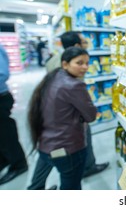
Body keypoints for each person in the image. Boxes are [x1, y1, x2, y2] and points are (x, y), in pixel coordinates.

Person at [27, 31, 108, 190]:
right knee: (71, 186)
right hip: (68, 147)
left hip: (45, 142)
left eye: (87, 63)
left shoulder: (53, 75)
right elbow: (91, 116)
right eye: (79, 63)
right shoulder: (74, 85)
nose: (85, 67)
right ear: (65, 64)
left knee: (44, 179)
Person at [0, 43, 28, 185]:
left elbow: (2, 73)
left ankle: (19, 164)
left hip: (1, 97)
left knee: (6, 133)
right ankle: (4, 159)